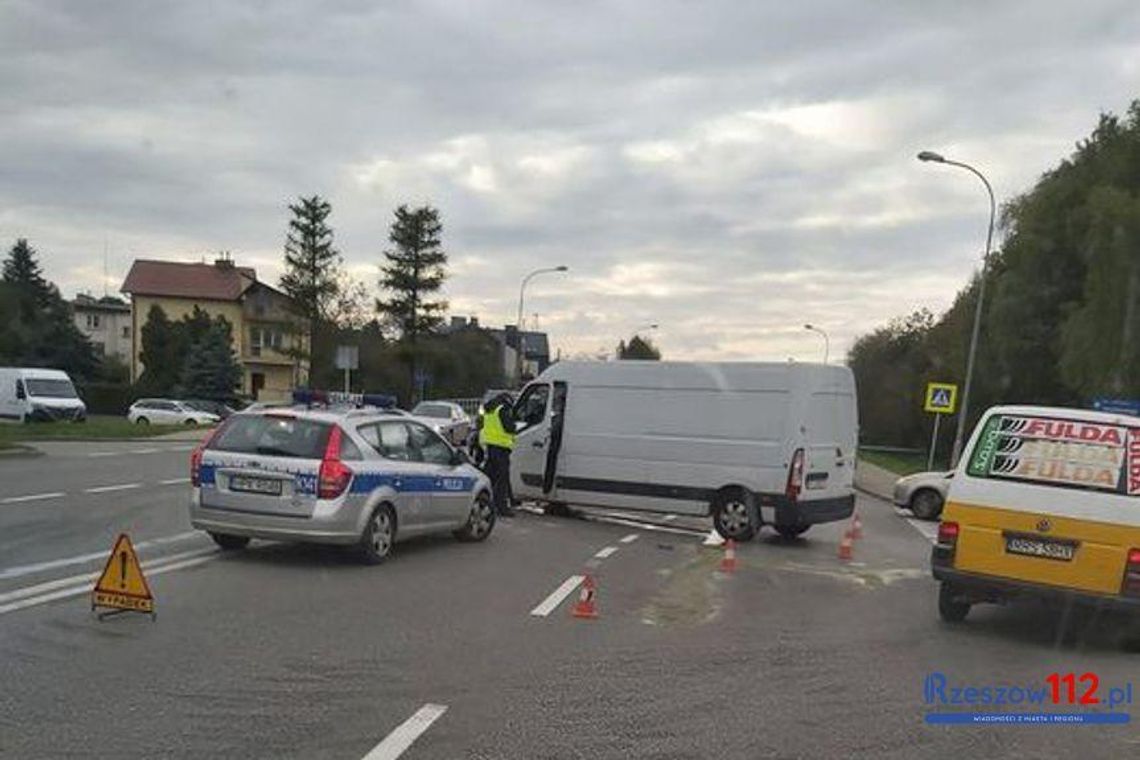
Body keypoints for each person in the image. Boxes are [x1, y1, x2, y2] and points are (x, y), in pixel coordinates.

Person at [479, 393, 517, 517]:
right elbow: (509, 428)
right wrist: (514, 425)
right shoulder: (502, 410)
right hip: (501, 448)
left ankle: (481, 501)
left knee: (489, 477)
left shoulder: (489, 409)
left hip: (491, 447)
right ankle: (502, 507)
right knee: (502, 480)